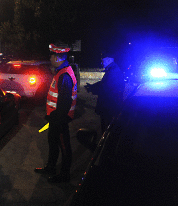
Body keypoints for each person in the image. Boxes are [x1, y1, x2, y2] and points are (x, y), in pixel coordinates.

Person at [34, 43, 78, 183]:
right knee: (53, 144)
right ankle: (50, 167)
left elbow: (64, 102)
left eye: (52, 55)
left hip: (60, 120)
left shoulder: (64, 75)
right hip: (54, 119)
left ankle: (64, 175)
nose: (50, 58)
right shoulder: (60, 72)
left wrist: (58, 121)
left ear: (58, 58)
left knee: (64, 146)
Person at [84, 51, 125, 132]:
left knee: (107, 129)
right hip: (110, 106)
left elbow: (105, 88)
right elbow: (103, 83)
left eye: (103, 60)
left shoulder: (113, 72)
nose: (101, 62)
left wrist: (91, 89)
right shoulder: (112, 69)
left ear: (109, 60)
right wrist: (92, 86)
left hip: (109, 107)